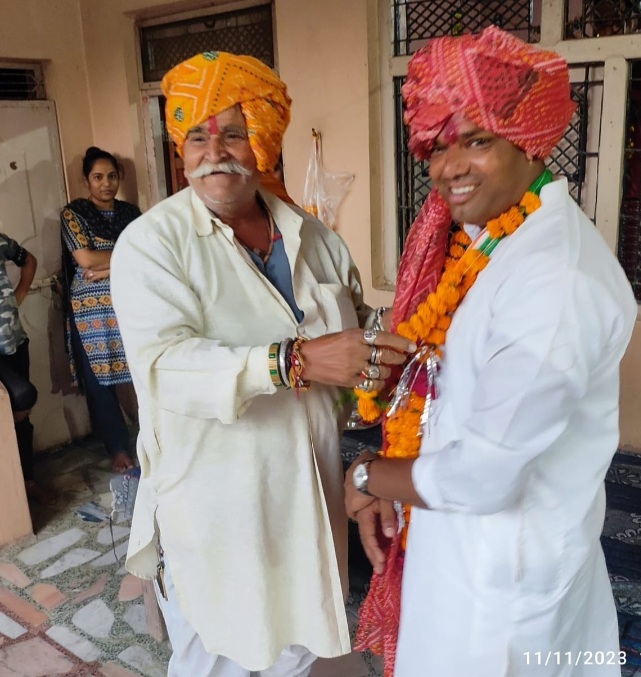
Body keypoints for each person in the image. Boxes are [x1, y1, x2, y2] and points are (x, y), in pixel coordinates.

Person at [344, 27, 638, 677]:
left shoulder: (554, 280)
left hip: (501, 585)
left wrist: (366, 476)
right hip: (463, 549)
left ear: (527, 139)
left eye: (476, 140)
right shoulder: (495, 242)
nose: (449, 166)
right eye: (436, 145)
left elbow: (482, 475)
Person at [109, 52, 414, 677]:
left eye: (233, 133)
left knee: (297, 648)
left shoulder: (317, 240)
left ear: (265, 143)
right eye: (197, 137)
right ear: (180, 149)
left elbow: (355, 343)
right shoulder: (151, 245)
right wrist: (293, 362)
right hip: (215, 506)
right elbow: (164, 367)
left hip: (309, 499)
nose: (213, 152)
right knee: (215, 652)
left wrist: (378, 371)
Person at [60, 147, 141, 472]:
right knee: (100, 380)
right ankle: (117, 446)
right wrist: (124, 257)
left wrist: (108, 267)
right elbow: (85, 260)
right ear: (86, 180)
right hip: (91, 313)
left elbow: (146, 253)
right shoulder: (74, 214)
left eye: (111, 176)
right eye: (98, 177)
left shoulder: (131, 214)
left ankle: (153, 436)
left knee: (141, 371)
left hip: (131, 303)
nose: (106, 183)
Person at [0, 231, 46, 501]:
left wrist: (19, 294)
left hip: (14, 342)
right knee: (23, 396)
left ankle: (27, 482)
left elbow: (28, 260)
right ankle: (11, 495)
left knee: (22, 419)